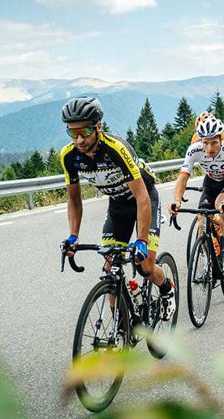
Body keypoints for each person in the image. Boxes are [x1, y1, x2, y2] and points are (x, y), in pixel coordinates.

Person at [60, 96, 175, 320]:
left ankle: (166, 288)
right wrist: (73, 236)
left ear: (98, 127)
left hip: (144, 199)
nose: (79, 139)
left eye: (85, 131)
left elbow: (141, 197)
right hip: (118, 205)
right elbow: (74, 199)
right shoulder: (69, 156)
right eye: (73, 133)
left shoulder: (116, 149)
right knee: (110, 268)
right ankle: (121, 326)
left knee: (145, 266)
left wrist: (141, 241)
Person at [171, 116, 224, 272]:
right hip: (210, 182)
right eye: (205, 143)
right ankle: (206, 257)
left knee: (221, 207)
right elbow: (182, 178)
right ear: (200, 141)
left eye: (214, 142)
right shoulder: (194, 149)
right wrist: (176, 200)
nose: (210, 148)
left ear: (221, 140)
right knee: (202, 219)